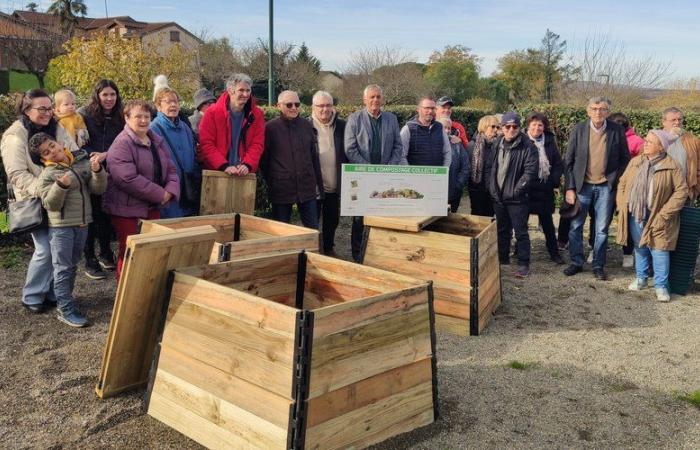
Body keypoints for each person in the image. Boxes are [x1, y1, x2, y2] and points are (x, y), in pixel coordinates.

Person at [1, 89, 77, 313]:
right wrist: (45, 190)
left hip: (62, 196)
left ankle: (52, 293)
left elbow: (73, 151)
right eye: (41, 108)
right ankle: (32, 295)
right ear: (27, 110)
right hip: (34, 200)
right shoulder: (15, 135)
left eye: (49, 107)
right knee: (45, 249)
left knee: (61, 248)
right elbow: (16, 173)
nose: (47, 112)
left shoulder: (57, 128)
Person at [30, 132, 107, 327]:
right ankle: (65, 308)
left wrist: (97, 171)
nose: (53, 152)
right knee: (64, 268)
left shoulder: (80, 161)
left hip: (83, 224)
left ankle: (59, 297)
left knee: (71, 265)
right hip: (61, 229)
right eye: (46, 152)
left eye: (52, 146)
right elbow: (50, 204)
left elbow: (98, 189)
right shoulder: (47, 175)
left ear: (59, 143)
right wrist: (60, 186)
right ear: (43, 159)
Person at [103, 100, 180, 280]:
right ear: (127, 118)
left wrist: (170, 190)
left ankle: (143, 290)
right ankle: (125, 293)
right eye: (138, 116)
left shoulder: (155, 140)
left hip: (152, 206)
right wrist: (161, 194)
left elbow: (171, 169)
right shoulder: (121, 144)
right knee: (129, 252)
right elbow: (127, 178)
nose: (144, 120)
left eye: (147, 116)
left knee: (151, 250)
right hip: (127, 209)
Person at [563, 97, 630, 280]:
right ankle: (576, 262)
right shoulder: (579, 130)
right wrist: (569, 188)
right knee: (576, 226)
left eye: (602, 109)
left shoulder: (616, 130)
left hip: (605, 187)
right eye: (594, 108)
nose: (598, 112)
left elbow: (625, 159)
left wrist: (615, 179)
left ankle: (598, 265)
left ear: (607, 112)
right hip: (582, 186)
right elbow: (568, 161)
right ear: (588, 111)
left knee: (601, 229)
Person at [616, 130, 688, 302]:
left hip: (659, 215)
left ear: (661, 147)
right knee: (640, 247)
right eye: (646, 141)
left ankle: (661, 286)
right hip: (637, 213)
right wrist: (622, 204)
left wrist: (664, 214)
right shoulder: (636, 162)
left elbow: (681, 191)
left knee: (659, 249)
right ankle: (641, 278)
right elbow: (622, 184)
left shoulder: (672, 165)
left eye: (650, 142)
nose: (645, 144)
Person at [344, 84, 405, 261]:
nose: (375, 100)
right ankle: (357, 254)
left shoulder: (391, 119)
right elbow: (350, 149)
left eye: (378, 96)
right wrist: (369, 170)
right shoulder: (355, 119)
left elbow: (398, 146)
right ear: (364, 100)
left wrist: (389, 168)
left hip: (385, 176)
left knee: (383, 214)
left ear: (382, 99)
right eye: (371, 97)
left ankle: (380, 253)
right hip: (361, 177)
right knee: (359, 217)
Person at [78, 79, 125, 280]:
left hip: (112, 169)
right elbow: (76, 142)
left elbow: (125, 140)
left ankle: (106, 253)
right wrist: (94, 155)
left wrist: (107, 154)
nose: (109, 99)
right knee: (91, 215)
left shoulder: (121, 116)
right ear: (97, 95)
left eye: (112, 94)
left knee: (106, 214)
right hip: (90, 169)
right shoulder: (84, 115)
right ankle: (89, 259)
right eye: (105, 94)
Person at [487, 112, 539, 278]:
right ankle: (502, 259)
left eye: (514, 126)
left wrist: (516, 191)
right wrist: (492, 189)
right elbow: (491, 168)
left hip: (517, 198)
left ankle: (524, 263)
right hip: (499, 197)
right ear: (502, 128)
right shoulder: (497, 143)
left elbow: (530, 172)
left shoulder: (528, 146)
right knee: (502, 230)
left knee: (521, 232)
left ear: (519, 127)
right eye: (507, 126)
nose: (511, 130)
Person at [261, 90, 322, 229]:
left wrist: (316, 183)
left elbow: (313, 157)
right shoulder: (269, 128)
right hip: (281, 189)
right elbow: (264, 160)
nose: (294, 108)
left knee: (312, 230)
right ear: (278, 106)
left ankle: (314, 252)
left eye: (297, 104)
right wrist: (274, 179)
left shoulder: (307, 126)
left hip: (307, 188)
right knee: (281, 230)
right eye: (289, 105)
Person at [198, 73, 265, 176]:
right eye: (241, 90)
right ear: (230, 91)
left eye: (248, 90)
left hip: (244, 174)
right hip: (216, 173)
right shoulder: (211, 113)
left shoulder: (257, 115)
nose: (246, 94)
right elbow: (206, 144)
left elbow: (257, 144)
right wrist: (223, 165)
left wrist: (247, 164)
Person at [151, 81, 200, 218]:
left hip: (187, 189)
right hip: (166, 192)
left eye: (176, 101)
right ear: (158, 106)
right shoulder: (152, 129)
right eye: (168, 102)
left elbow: (193, 156)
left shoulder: (185, 128)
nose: (173, 105)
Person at [310, 90, 347, 256]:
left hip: (335, 184)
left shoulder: (342, 126)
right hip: (314, 186)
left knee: (332, 220)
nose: (325, 109)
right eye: (320, 106)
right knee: (312, 220)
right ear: (313, 107)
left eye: (328, 105)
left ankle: (329, 248)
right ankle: (313, 249)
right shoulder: (306, 126)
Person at [525, 112, 564, 264]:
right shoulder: (522, 141)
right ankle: (520, 252)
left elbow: (558, 164)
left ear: (544, 127)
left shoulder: (550, 141)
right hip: (527, 188)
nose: (537, 128)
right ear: (528, 126)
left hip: (545, 188)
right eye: (534, 124)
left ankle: (554, 253)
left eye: (540, 125)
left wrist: (553, 181)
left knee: (548, 223)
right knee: (522, 223)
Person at [608, 112, 643, 267]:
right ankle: (595, 249)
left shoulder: (636, 141)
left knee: (626, 219)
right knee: (601, 217)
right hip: (608, 184)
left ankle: (627, 253)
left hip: (628, 186)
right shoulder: (606, 137)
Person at [400, 96, 452, 168]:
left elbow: (447, 152)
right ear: (418, 109)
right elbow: (401, 155)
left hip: (437, 177)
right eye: (427, 108)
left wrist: (444, 171)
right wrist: (410, 174)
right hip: (415, 177)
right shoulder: (408, 129)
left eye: (433, 108)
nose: (430, 111)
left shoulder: (440, 128)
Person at [662, 107, 700, 200]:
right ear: (664, 122)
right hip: (661, 191)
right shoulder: (655, 139)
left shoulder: (692, 140)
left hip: (685, 193)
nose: (677, 122)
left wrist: (696, 187)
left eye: (679, 119)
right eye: (673, 120)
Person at [467, 115, 500, 217]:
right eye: (493, 127)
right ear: (484, 127)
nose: (495, 130)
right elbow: (468, 168)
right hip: (477, 189)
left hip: (493, 189)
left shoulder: (498, 145)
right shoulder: (473, 145)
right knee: (477, 217)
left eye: (497, 127)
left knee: (490, 217)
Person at [438, 117, 470, 212]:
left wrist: (458, 184)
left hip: (454, 192)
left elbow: (465, 167)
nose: (447, 130)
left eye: (449, 128)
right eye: (444, 127)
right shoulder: (431, 143)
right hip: (435, 192)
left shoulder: (457, 145)